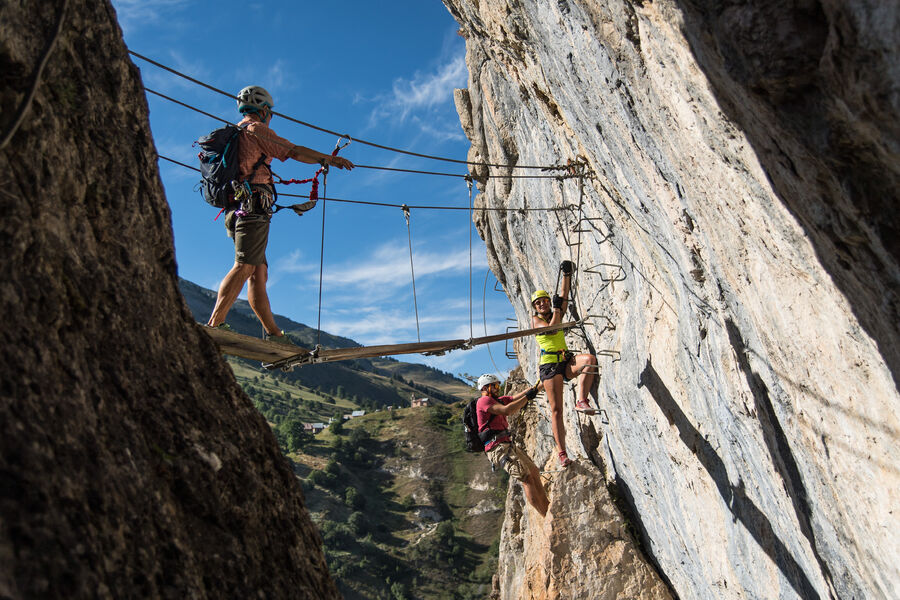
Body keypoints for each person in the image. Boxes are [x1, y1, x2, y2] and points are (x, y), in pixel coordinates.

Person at [206, 85, 353, 342]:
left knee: (258, 272)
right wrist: (328, 160)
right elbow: (293, 151)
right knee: (245, 266)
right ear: (264, 110)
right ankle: (214, 324)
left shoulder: (238, 132)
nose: (270, 117)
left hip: (237, 208)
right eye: (270, 113)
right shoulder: (256, 130)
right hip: (252, 208)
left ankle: (274, 334)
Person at [531, 260, 598, 467]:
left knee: (589, 361)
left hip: (565, 360)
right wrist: (558, 311)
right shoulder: (536, 321)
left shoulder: (555, 311)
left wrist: (566, 274)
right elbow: (551, 329)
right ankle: (562, 453)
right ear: (535, 307)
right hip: (549, 367)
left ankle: (581, 400)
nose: (543, 304)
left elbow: (564, 295)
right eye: (538, 303)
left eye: (544, 301)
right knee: (557, 410)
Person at [475, 373, 549, 517]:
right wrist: (528, 397)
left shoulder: (497, 400)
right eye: (495, 386)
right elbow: (507, 410)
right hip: (498, 448)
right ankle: (545, 513)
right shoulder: (483, 401)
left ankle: (547, 505)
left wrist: (541, 383)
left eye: (498, 385)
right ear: (485, 387)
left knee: (533, 471)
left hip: (506, 444)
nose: (498, 388)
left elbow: (518, 396)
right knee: (526, 478)